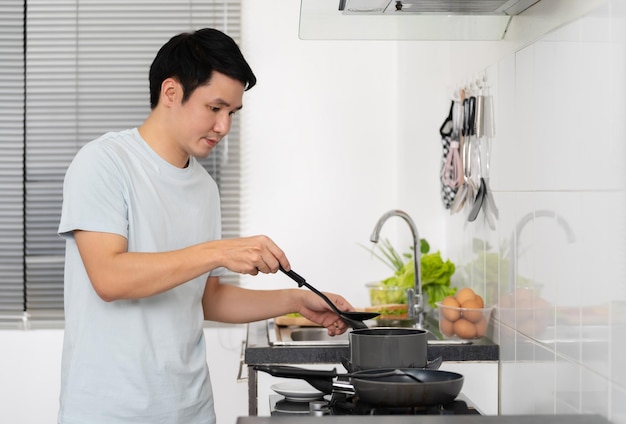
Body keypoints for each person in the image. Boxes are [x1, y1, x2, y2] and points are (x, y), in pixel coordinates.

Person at [57, 28, 354, 424]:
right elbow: (109, 278)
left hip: (190, 408)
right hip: (110, 411)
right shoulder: (103, 163)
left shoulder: (204, 188)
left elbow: (205, 297)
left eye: (231, 112)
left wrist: (296, 302)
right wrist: (219, 251)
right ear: (171, 93)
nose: (224, 127)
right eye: (214, 108)